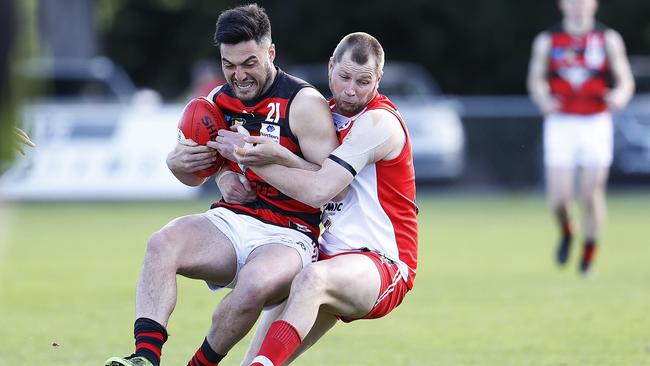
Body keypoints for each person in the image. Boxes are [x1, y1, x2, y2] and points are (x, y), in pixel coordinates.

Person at [104, 4, 338, 366]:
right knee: (162, 244)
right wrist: (190, 166)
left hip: (289, 233)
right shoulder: (215, 101)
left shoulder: (303, 103)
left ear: (270, 52)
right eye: (229, 65)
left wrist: (271, 158)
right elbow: (191, 172)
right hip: (234, 220)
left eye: (249, 63)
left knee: (254, 288)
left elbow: (333, 185)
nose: (238, 75)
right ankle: (145, 358)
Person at [214, 32, 418, 366]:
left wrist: (253, 160)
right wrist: (225, 168)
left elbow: (323, 189)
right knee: (256, 356)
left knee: (311, 280)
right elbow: (312, 169)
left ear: (378, 79)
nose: (351, 90)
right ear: (330, 68)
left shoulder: (378, 122)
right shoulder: (322, 115)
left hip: (382, 262)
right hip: (325, 258)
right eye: (344, 77)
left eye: (364, 81)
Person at [527, 0, 634, 275]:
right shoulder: (547, 40)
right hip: (561, 122)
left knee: (590, 192)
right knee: (560, 198)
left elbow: (625, 79)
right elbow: (536, 80)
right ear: (562, 5)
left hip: (595, 122)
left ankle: (587, 257)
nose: (578, 6)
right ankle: (567, 230)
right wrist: (543, 99)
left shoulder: (607, 39)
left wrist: (619, 96)